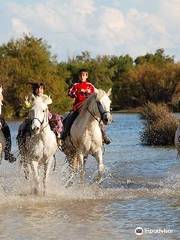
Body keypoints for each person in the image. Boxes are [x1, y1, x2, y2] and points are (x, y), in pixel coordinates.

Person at [61, 69, 111, 144]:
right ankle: (65, 133)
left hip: (88, 107)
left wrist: (89, 92)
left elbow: (97, 93)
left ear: (86, 76)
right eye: (81, 75)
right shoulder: (76, 85)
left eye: (84, 75)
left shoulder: (90, 85)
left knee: (98, 118)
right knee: (70, 117)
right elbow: (70, 93)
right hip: (78, 106)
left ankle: (104, 135)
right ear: (79, 76)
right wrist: (78, 92)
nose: (82, 76)